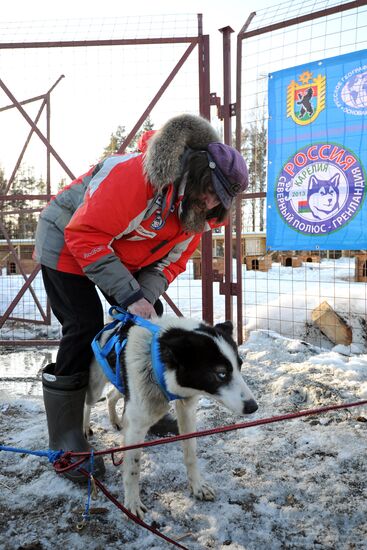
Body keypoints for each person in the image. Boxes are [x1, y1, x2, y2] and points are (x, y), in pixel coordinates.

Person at [34, 113, 248, 482]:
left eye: (220, 198)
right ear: (196, 170)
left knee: (150, 317)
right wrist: (129, 293)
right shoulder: (138, 177)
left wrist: (141, 298)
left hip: (119, 252)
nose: (211, 202)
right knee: (84, 325)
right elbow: (84, 234)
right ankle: (68, 437)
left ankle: (148, 400)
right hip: (68, 240)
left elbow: (169, 265)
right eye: (210, 189)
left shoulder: (200, 213)